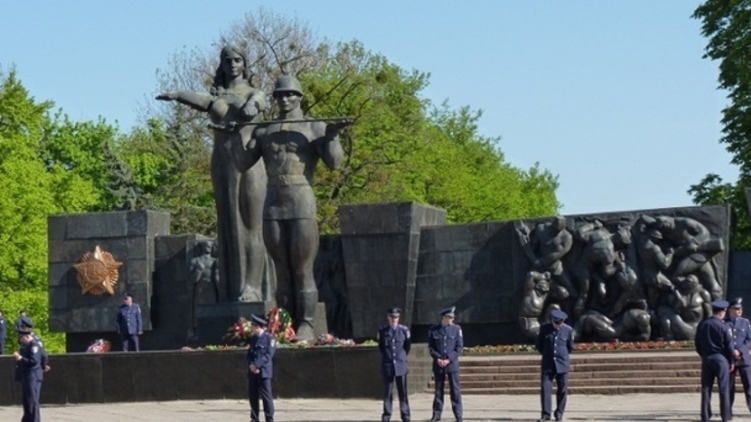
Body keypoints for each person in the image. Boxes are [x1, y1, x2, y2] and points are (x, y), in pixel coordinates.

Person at [231, 74, 345, 341]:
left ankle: (306, 323)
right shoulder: (264, 130)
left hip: (301, 200)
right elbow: (242, 162)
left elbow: (335, 163)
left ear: (299, 97)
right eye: (280, 95)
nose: (285, 99)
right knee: (281, 270)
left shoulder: (314, 126)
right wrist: (235, 135)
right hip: (273, 202)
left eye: (290, 94)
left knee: (302, 268)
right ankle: (285, 324)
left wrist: (332, 136)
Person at [157, 45, 269, 303]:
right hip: (222, 161)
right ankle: (232, 288)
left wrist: (248, 105)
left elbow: (256, 105)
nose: (232, 64)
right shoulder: (216, 95)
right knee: (229, 226)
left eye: (237, 59)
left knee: (251, 226)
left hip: (249, 162)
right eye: (227, 60)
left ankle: (253, 286)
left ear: (244, 63)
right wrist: (176, 94)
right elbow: (201, 100)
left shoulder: (254, 92)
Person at [695, 299, 735, 422]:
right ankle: (725, 415)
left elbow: (697, 343)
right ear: (722, 312)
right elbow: (729, 346)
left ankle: (705, 415)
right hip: (721, 359)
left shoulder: (703, 324)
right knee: (723, 388)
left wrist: (704, 355)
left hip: (707, 358)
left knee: (706, 388)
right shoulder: (724, 326)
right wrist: (731, 361)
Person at [535, 309, 575, 422]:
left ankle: (559, 413)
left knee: (562, 389)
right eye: (555, 323)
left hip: (562, 364)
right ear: (552, 320)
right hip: (548, 364)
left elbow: (570, 347)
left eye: (560, 323)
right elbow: (539, 345)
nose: (557, 325)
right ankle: (545, 414)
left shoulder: (568, 330)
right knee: (545, 389)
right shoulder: (544, 329)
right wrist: (548, 354)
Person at [428, 306, 463, 422]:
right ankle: (436, 414)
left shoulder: (456, 329)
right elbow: (431, 347)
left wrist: (449, 359)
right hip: (438, 364)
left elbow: (459, 348)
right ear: (444, 317)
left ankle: (458, 415)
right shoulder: (434, 330)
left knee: (455, 390)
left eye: (452, 318)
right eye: (449, 317)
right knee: (438, 390)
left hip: (452, 364)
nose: (451, 320)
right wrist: (438, 358)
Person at [377, 307, 411, 422]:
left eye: (396, 317)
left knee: (403, 393)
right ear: (388, 317)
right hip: (388, 365)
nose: (394, 319)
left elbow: (407, 347)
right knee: (387, 393)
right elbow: (381, 347)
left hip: (400, 366)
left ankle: (405, 415)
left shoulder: (404, 330)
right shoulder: (383, 331)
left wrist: (400, 358)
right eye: (392, 317)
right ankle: (386, 416)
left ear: (399, 318)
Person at [14, 324, 48, 422]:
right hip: (27, 375)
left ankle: (34, 420)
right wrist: (44, 365)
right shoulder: (26, 346)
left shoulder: (34, 346)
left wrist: (21, 358)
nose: (21, 340)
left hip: (33, 375)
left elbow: (33, 361)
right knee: (27, 400)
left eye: (22, 337)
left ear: (28, 336)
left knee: (32, 401)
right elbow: (44, 357)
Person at [247, 314, 275, 422]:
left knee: (266, 397)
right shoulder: (253, 339)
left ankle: (269, 418)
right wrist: (251, 365)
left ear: (258, 326)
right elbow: (249, 354)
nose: (252, 329)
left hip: (264, 372)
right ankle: (254, 418)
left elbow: (268, 355)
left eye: (253, 326)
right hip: (253, 372)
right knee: (253, 396)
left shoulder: (269, 338)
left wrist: (257, 365)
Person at [726, 297, 751, 417]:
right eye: (736, 309)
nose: (739, 311)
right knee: (729, 387)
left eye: (740, 309)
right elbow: (725, 341)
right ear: (730, 310)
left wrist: (740, 351)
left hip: (744, 359)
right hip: (730, 359)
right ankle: (728, 411)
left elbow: (748, 340)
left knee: (749, 385)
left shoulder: (745, 323)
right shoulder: (725, 323)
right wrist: (732, 351)